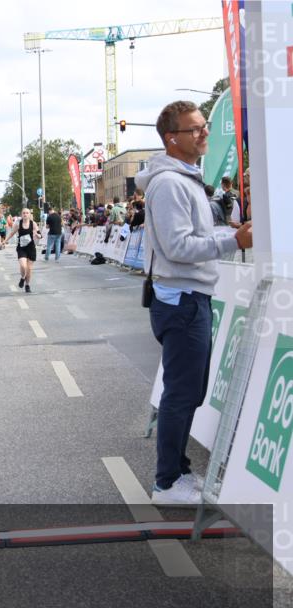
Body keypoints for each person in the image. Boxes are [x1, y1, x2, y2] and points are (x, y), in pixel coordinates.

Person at [137, 100, 253, 505]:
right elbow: (178, 245)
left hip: (187, 296)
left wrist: (228, 230)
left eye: (204, 126)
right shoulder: (170, 183)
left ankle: (178, 471)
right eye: (196, 129)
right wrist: (232, 240)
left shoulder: (181, 178)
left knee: (189, 391)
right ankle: (167, 483)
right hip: (182, 299)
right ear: (172, 139)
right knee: (183, 393)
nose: (205, 133)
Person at [5, 208, 40, 293]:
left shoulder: (33, 223)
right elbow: (12, 233)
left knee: (29, 269)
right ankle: (23, 277)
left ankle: (27, 285)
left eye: (27, 213)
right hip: (21, 248)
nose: (25, 214)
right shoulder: (18, 224)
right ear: (21, 214)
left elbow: (39, 233)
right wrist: (4, 241)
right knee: (23, 266)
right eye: (24, 213)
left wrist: (38, 235)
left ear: (29, 214)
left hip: (31, 248)